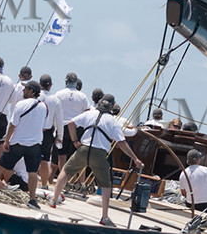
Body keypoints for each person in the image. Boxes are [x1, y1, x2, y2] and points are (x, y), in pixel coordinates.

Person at [53, 93, 143, 226]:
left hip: (83, 149)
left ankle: (54, 201)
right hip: (100, 153)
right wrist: (135, 159)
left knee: (65, 171)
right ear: (112, 107)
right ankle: (104, 217)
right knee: (106, 185)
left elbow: (71, 123)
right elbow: (121, 143)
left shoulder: (89, 114)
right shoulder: (113, 121)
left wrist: (75, 141)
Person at [0, 80, 47, 207]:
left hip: (18, 143)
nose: (23, 90)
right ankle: (32, 199)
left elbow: (12, 124)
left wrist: (7, 141)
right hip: (34, 144)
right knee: (32, 172)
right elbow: (43, 126)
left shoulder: (21, 104)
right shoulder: (43, 107)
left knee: (1, 165)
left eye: (26, 89)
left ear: (31, 91)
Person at [49, 73, 90, 170]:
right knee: (76, 156)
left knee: (61, 156)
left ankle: (63, 178)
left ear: (66, 81)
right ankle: (74, 180)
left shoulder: (59, 94)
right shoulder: (82, 96)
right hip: (77, 128)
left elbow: (53, 110)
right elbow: (87, 112)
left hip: (62, 128)